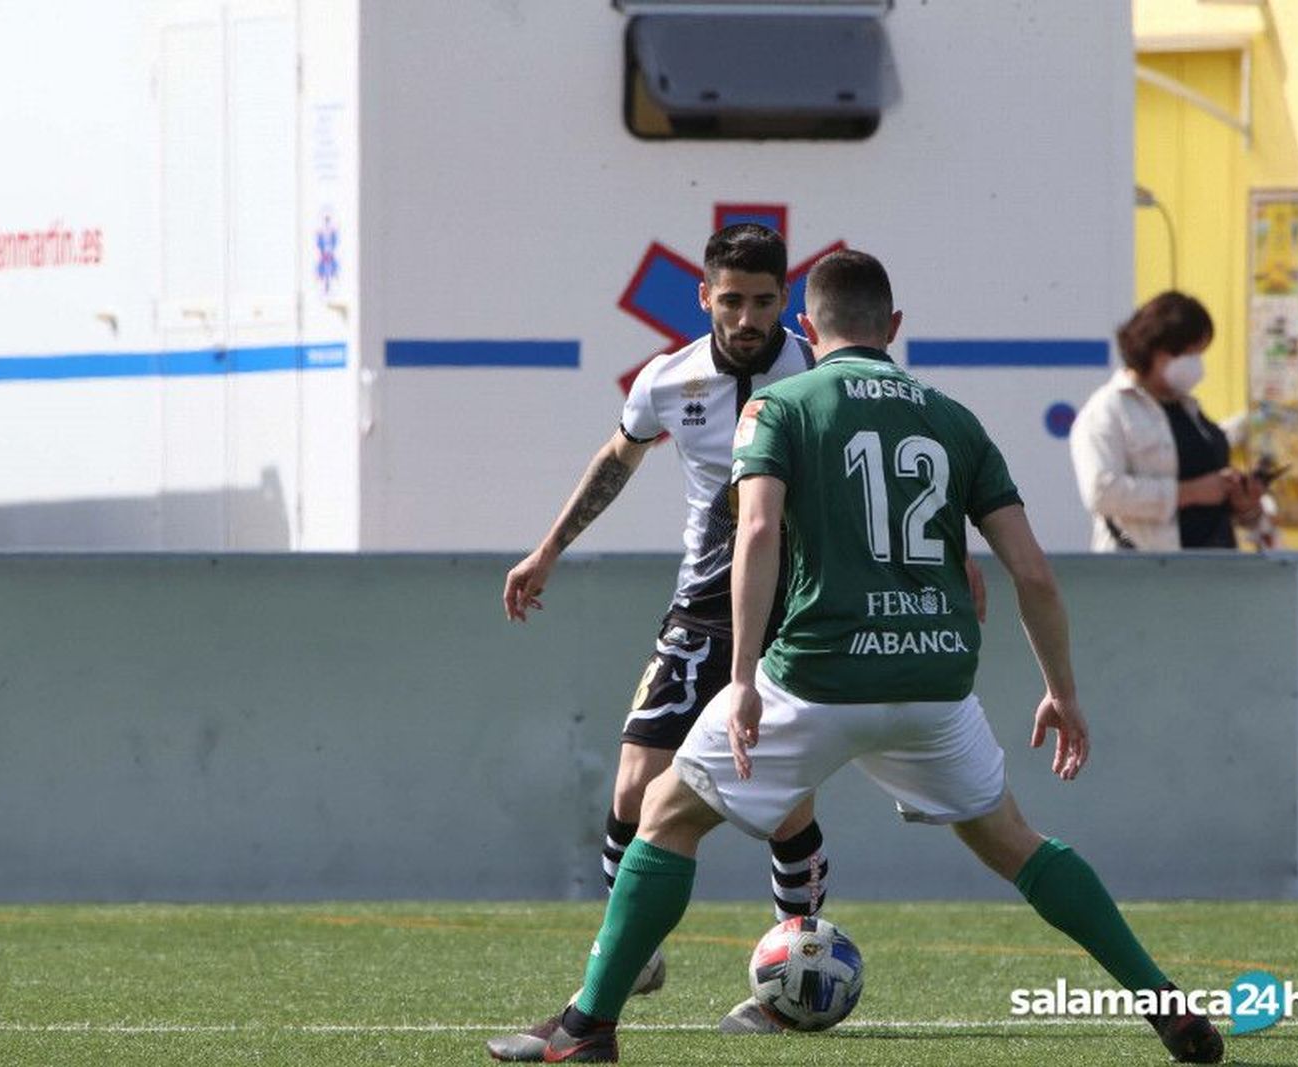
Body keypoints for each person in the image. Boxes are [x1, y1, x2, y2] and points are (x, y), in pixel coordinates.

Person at [490, 250, 1224, 1064]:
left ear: (806, 323)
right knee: (1017, 841)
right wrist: (1062, 690)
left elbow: (757, 532)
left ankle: (589, 1025)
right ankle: (1165, 1001)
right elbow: (1034, 572)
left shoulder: (778, 405)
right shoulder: (953, 418)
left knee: (665, 813)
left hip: (821, 672)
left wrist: (743, 678)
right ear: (894, 326)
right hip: (936, 681)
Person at [495, 224, 830, 1041]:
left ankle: (799, 974)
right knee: (634, 785)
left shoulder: (819, 374)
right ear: (704, 295)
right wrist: (548, 549)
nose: (746, 317)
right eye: (731, 299)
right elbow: (618, 457)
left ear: (785, 298)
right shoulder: (668, 378)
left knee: (784, 800)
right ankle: (633, 952)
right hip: (704, 606)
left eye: (763, 301)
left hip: (800, 605)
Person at [1068, 290, 1267, 551]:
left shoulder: (1190, 410)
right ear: (1154, 348)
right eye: (1188, 353)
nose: (1196, 364)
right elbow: (1101, 492)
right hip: (1146, 566)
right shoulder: (1108, 410)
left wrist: (1242, 501)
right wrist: (1190, 492)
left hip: (1214, 565)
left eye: (1200, 353)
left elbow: (1214, 496)